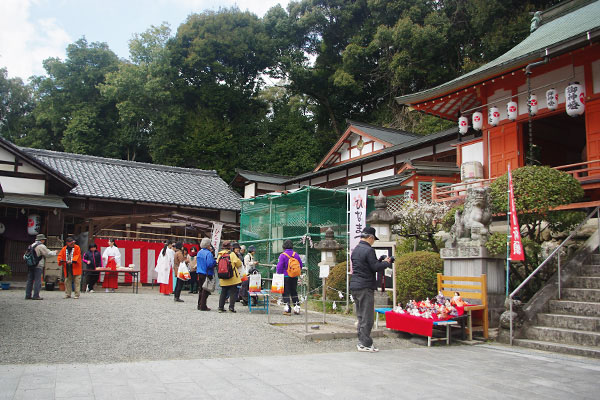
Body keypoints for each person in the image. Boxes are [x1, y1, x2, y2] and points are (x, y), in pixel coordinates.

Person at [350, 226, 392, 353]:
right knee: (367, 316)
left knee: (360, 315)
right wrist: (387, 262)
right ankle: (365, 343)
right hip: (365, 286)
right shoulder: (368, 250)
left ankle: (361, 340)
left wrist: (379, 261)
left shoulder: (356, 249)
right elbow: (374, 267)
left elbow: (366, 265)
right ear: (370, 238)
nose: (374, 242)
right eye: (374, 240)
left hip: (355, 285)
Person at [25, 234, 56, 300]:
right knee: (37, 280)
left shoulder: (32, 245)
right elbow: (48, 254)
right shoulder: (41, 246)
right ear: (42, 240)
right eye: (44, 240)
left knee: (30, 280)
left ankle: (28, 295)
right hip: (38, 265)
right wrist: (55, 252)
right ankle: (36, 295)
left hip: (31, 265)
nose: (44, 241)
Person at [276, 239, 304, 315]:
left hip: (285, 276)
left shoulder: (283, 255)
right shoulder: (296, 254)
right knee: (294, 292)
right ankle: (297, 308)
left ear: (284, 246)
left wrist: (278, 274)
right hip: (294, 276)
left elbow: (279, 266)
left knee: (286, 292)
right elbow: (300, 265)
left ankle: (287, 309)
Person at [217, 241, 242, 313]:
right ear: (230, 247)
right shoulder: (232, 254)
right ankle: (231, 308)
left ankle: (220, 307)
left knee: (223, 292)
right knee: (233, 293)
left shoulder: (220, 254)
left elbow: (217, 263)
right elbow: (238, 263)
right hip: (232, 277)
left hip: (223, 277)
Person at [196, 238, 215, 311]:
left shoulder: (199, 252)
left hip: (200, 272)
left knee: (200, 289)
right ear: (208, 245)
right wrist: (215, 262)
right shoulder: (208, 253)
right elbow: (210, 264)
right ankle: (203, 306)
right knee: (205, 290)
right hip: (207, 273)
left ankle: (199, 304)